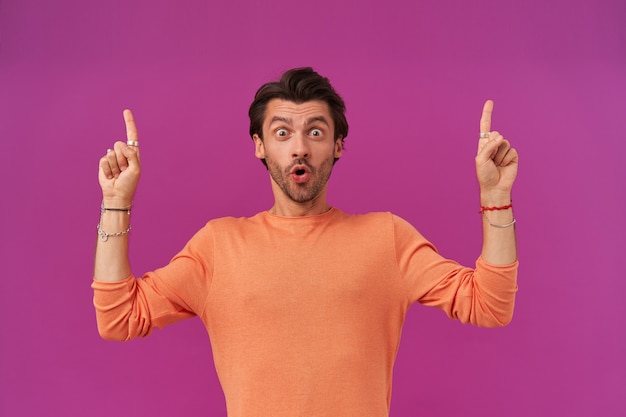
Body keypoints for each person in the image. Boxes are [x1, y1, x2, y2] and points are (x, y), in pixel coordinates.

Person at [93, 67, 518, 417]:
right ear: (259, 146)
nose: (299, 148)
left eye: (315, 133)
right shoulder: (219, 246)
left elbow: (490, 305)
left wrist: (495, 199)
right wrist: (116, 202)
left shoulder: (386, 238)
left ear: (338, 146)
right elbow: (120, 317)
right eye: (282, 134)